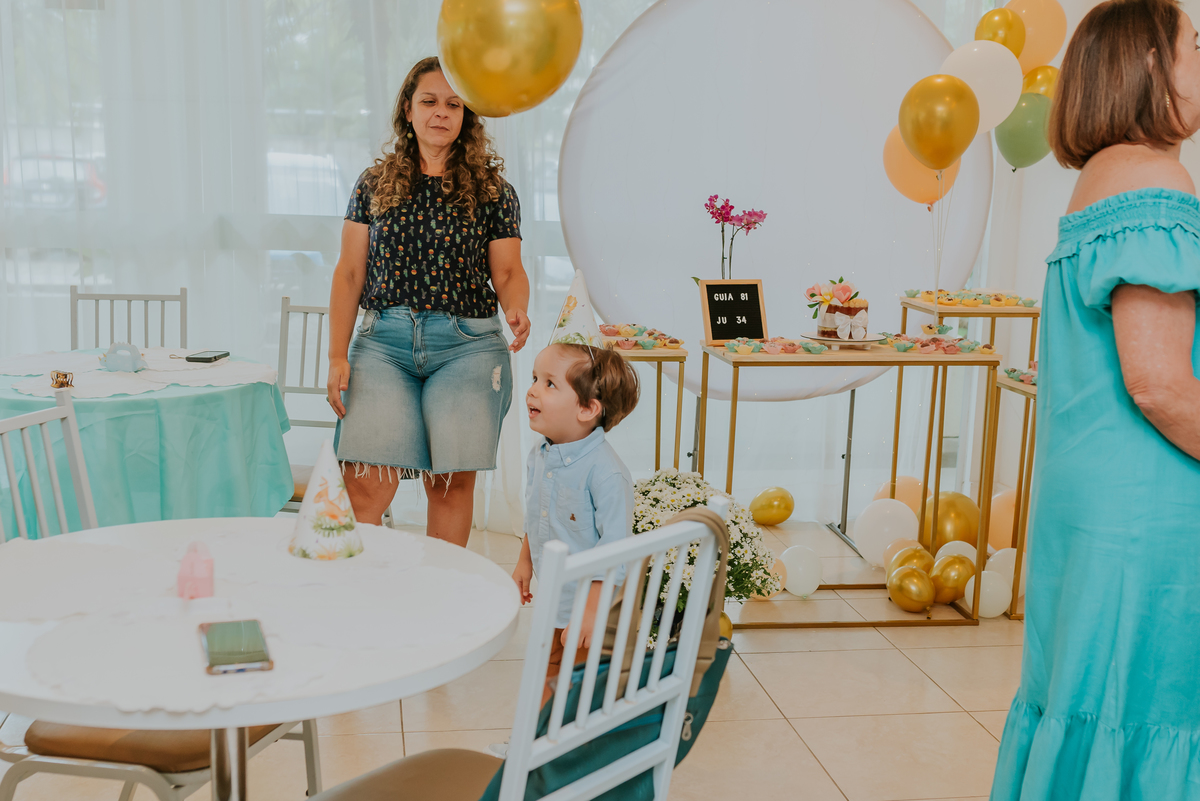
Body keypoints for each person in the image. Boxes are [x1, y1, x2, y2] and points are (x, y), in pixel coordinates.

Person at [991, 1, 1200, 798]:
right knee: (1141, 705)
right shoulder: (1156, 180)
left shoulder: (1098, 181)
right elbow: (1159, 383)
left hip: (1090, 508)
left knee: (1082, 697)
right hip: (1145, 515)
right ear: (1151, 63)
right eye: (1196, 45)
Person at [325, 56, 531, 545]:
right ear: (409, 108)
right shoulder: (372, 184)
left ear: (467, 116)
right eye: (430, 101)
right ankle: (355, 601)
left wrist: (516, 308)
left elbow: (507, 270)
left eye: (453, 104)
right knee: (366, 486)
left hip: (468, 347)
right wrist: (337, 353)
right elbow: (350, 272)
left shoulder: (493, 191)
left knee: (450, 487)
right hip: (383, 346)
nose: (441, 112)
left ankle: (443, 608)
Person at [512, 343, 640, 706]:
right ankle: (535, 744)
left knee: (579, 686)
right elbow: (537, 513)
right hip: (555, 596)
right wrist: (525, 561)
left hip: (590, 609)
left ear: (587, 409)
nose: (533, 389)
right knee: (547, 669)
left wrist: (590, 610)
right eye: (535, 378)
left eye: (550, 384)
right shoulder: (540, 454)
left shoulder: (606, 473)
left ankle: (563, 747)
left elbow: (615, 549)